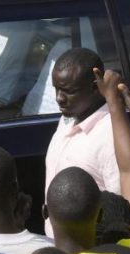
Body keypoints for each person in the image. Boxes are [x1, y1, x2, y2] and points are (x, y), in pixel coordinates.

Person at [43, 47, 120, 238]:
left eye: (69, 91)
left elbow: (122, 208)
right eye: (56, 89)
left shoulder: (111, 134)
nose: (59, 98)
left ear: (96, 86)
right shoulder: (67, 119)